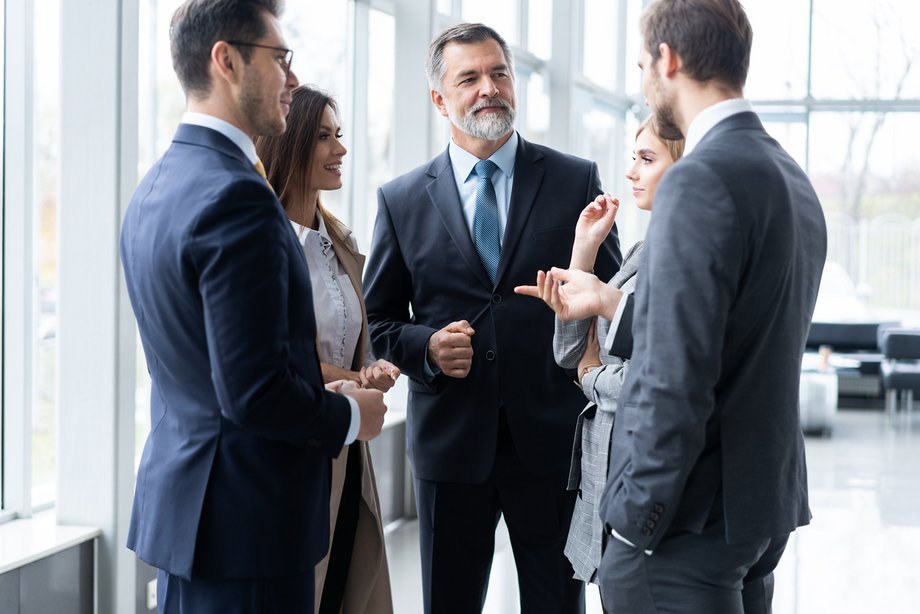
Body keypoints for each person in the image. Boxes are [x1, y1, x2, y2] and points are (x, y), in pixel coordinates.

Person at [525, 1, 827, 612]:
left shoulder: (701, 178)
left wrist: (636, 519)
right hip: (757, 505)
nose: (642, 81)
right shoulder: (789, 177)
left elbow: (675, 376)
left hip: (685, 519)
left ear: (668, 60)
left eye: (642, 64)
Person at [120, 2, 387, 612]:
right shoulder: (240, 198)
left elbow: (207, 369)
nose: (293, 80)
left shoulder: (156, 187)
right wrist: (353, 418)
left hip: (188, 514)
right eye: (281, 59)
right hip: (250, 523)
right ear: (227, 61)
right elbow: (254, 392)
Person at [363, 22, 622, 614]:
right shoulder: (400, 200)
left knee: (557, 604)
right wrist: (425, 346)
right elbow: (376, 320)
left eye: (499, 72)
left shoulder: (573, 179)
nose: (490, 88)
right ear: (439, 98)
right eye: (470, 78)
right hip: (451, 448)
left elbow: (612, 297)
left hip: (552, 443)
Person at [516, 116, 684, 590]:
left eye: (646, 159)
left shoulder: (680, 256)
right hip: (609, 475)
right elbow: (571, 352)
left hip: (638, 472)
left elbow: (651, 376)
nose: (631, 172)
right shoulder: (640, 249)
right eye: (633, 158)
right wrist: (582, 254)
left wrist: (591, 379)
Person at [254, 84, 397, 614]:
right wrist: (356, 380)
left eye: (339, 135)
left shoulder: (341, 243)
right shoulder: (264, 240)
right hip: (294, 448)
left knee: (345, 587)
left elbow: (349, 341)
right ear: (287, 145)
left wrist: (370, 369)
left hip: (349, 448)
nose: (340, 149)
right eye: (323, 137)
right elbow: (272, 361)